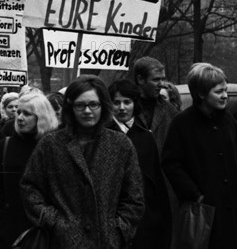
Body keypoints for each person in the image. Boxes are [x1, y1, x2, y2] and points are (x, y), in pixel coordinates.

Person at [20, 75, 144, 248]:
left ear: (103, 106)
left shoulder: (120, 145)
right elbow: (30, 188)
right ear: (71, 108)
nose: (87, 111)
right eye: (80, 105)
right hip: (62, 242)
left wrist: (118, 230)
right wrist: (55, 222)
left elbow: (134, 197)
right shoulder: (51, 144)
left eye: (93, 104)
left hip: (106, 242)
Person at [162, 63, 237, 249]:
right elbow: (171, 164)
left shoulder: (228, 120)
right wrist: (195, 195)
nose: (225, 96)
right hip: (205, 214)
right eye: (219, 91)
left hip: (236, 211)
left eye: (226, 90)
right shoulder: (182, 123)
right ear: (201, 94)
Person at [0, 92, 58, 249]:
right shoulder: (5, 145)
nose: (19, 117)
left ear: (41, 116)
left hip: (47, 233)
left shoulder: (55, 147)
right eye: (18, 112)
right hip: (11, 234)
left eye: (26, 113)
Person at [108, 79, 172, 249]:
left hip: (145, 219)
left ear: (134, 104)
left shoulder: (145, 137)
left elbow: (156, 181)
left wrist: (161, 218)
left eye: (127, 102)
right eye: (116, 102)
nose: (122, 108)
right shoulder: (103, 136)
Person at [133, 57, 179, 154]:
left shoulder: (170, 110)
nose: (162, 84)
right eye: (156, 79)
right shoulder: (126, 109)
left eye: (163, 79)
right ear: (140, 79)